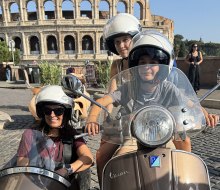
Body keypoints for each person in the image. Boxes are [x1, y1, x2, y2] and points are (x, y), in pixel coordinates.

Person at [86, 31, 220, 175]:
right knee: (107, 157)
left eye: (153, 63)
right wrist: (92, 119)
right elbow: (101, 101)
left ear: (162, 66)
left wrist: (206, 115)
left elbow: (191, 104)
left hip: (164, 134)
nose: (146, 67)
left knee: (185, 143)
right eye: (142, 63)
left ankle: (185, 178)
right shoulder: (129, 87)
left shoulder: (168, 87)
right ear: (135, 65)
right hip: (131, 136)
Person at [93, 13, 142, 186]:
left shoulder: (148, 60)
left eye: (125, 40)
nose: (121, 45)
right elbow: (111, 95)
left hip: (152, 119)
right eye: (117, 41)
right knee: (101, 156)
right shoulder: (117, 65)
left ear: (135, 38)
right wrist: (104, 115)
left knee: (184, 143)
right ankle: (105, 186)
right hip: (125, 120)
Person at [17, 85, 93, 189]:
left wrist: (67, 170)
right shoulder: (30, 134)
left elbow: (88, 158)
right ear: (42, 112)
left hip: (63, 185)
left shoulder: (71, 134)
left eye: (58, 111)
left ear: (66, 112)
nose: (52, 115)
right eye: (47, 110)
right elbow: (22, 165)